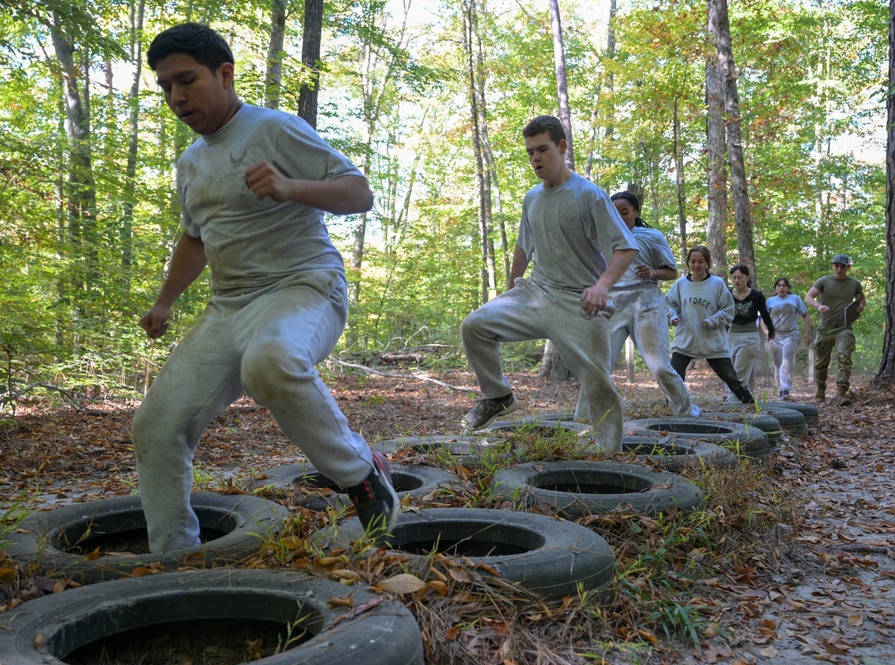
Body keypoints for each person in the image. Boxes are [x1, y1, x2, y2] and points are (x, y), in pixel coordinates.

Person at [132, 23, 399, 553]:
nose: (176, 96)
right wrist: (165, 301)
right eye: (165, 86)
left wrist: (288, 186)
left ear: (225, 74)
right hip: (228, 308)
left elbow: (360, 192)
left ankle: (363, 475)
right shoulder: (190, 163)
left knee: (269, 362)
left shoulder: (274, 129)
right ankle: (174, 559)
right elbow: (195, 240)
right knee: (155, 427)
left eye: (186, 80)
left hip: (305, 286)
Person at [460, 116, 638, 451]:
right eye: (529, 152)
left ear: (562, 147)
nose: (535, 158)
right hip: (536, 293)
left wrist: (602, 287)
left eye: (542, 149)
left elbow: (626, 248)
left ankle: (608, 452)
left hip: (580, 302)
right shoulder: (532, 198)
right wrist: (513, 285)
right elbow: (523, 245)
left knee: (597, 382)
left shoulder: (589, 195)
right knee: (475, 326)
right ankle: (498, 396)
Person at [574, 191, 699, 420]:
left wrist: (652, 272)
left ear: (636, 212)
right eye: (615, 213)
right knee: (598, 366)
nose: (620, 218)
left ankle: (687, 413)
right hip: (612, 304)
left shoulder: (651, 236)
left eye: (625, 212)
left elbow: (671, 271)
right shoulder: (600, 238)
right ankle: (582, 418)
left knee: (660, 365)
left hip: (647, 301)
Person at [665, 246, 755, 403]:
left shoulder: (717, 284)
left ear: (707, 263)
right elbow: (668, 304)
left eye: (701, 261)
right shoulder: (681, 284)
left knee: (731, 377)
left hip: (712, 342)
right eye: (692, 261)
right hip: (685, 340)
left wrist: (713, 320)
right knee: (674, 378)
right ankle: (670, 409)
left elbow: (728, 310)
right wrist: (672, 317)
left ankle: (751, 406)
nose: (696, 265)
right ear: (688, 263)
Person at [804, 254, 866, 405]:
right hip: (825, 328)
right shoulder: (824, 281)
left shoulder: (854, 283)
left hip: (844, 328)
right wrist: (818, 306)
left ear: (848, 268)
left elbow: (861, 300)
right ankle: (820, 391)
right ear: (833, 266)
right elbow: (808, 297)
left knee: (844, 356)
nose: (839, 269)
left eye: (843, 266)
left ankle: (841, 393)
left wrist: (860, 307)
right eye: (837, 266)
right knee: (821, 362)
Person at [726, 264, 775, 402]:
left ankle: (733, 402)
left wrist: (771, 330)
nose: (737, 281)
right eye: (734, 278)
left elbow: (765, 314)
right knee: (734, 369)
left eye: (740, 277)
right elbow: (722, 314)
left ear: (747, 277)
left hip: (750, 336)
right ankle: (748, 400)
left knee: (739, 370)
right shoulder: (727, 294)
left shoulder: (756, 295)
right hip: (731, 335)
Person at [766, 277, 812, 401]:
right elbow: (762, 319)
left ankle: (785, 389)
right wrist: (766, 331)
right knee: (777, 364)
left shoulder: (795, 299)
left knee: (787, 361)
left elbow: (806, 315)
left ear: (788, 287)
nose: (781, 288)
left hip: (791, 334)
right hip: (775, 336)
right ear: (775, 288)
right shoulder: (770, 301)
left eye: (784, 285)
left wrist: (808, 334)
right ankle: (780, 388)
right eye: (779, 285)